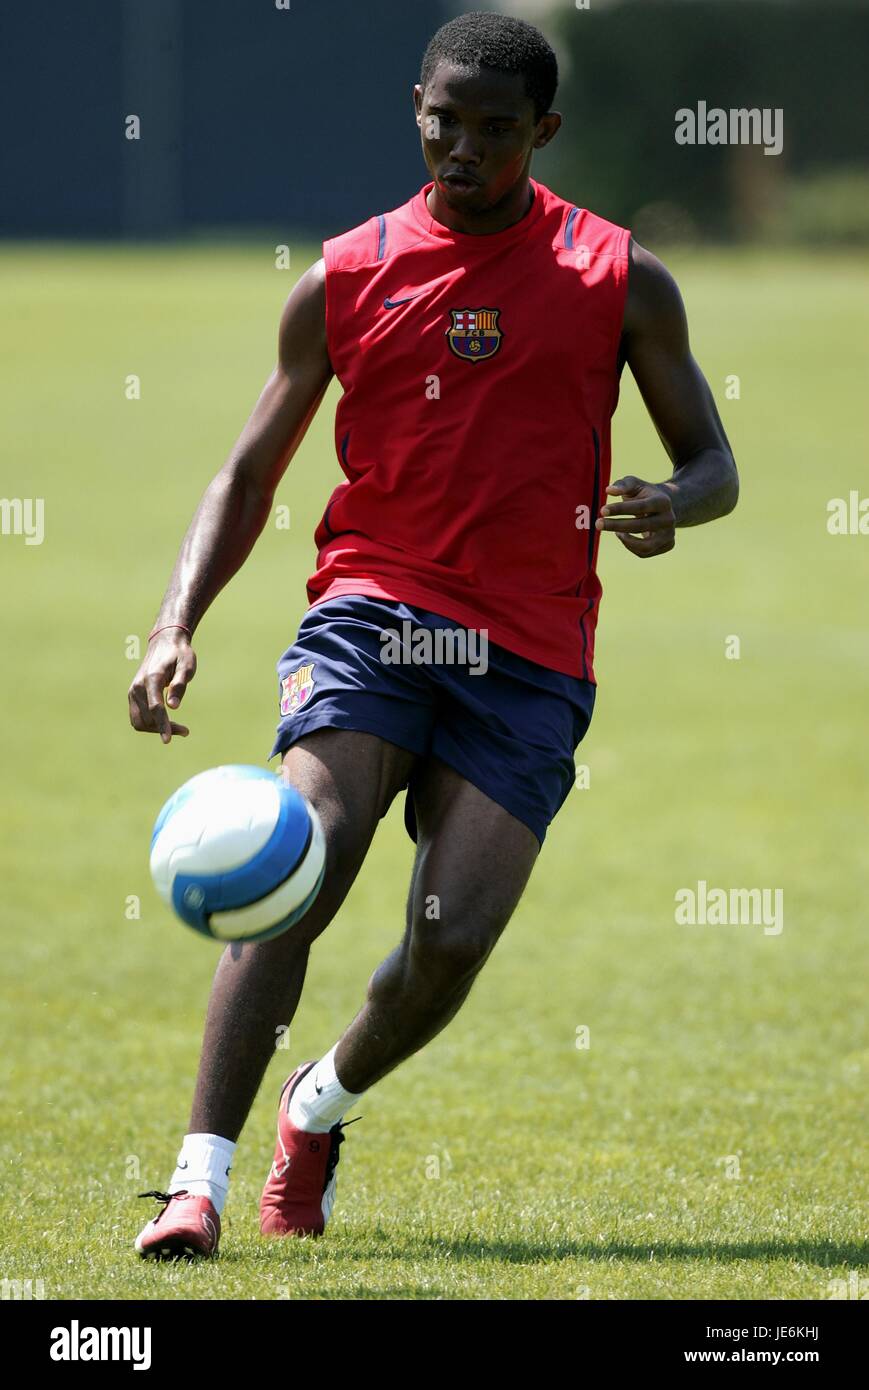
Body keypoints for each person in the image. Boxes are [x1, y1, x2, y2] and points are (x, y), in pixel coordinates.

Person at [129, 11, 738, 1259]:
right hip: (373, 615)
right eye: (442, 123)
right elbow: (248, 475)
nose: (461, 151)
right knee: (299, 864)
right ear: (415, 105)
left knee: (446, 942)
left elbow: (714, 459)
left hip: (528, 654)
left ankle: (322, 1104)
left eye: (494, 132)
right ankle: (195, 1185)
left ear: (543, 133)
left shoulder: (617, 275)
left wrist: (674, 501)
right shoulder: (346, 273)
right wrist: (174, 621)